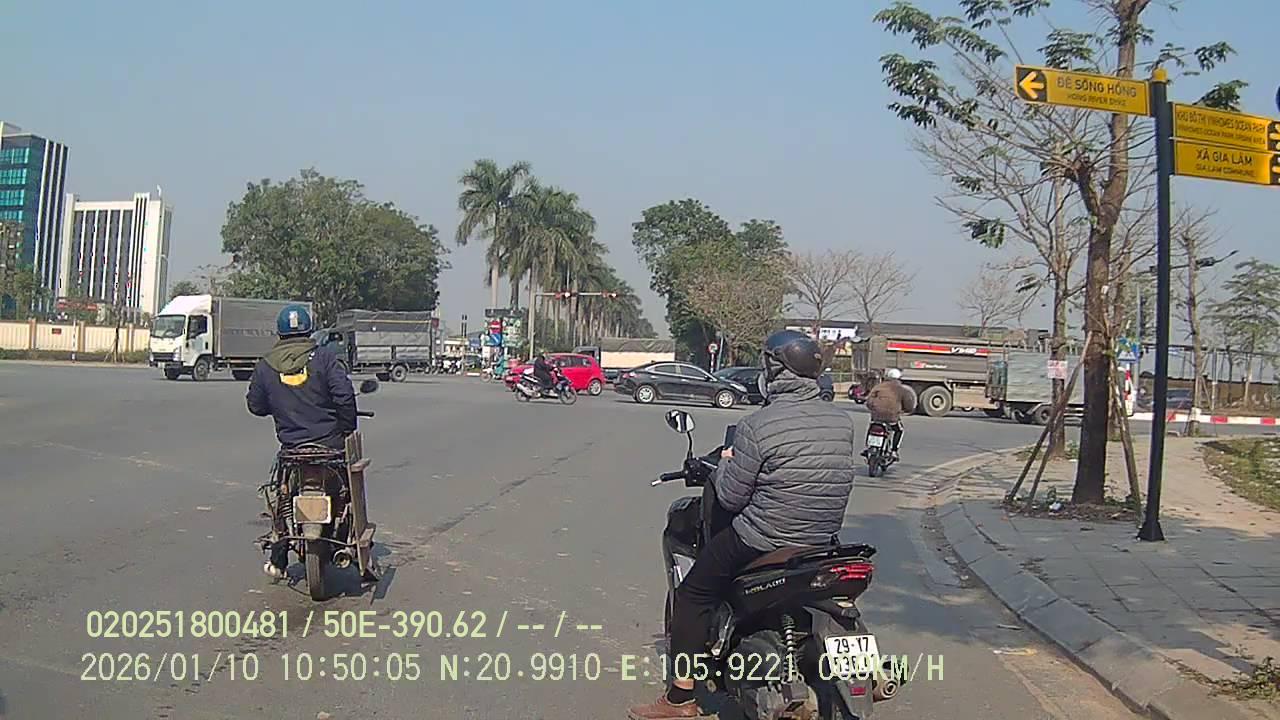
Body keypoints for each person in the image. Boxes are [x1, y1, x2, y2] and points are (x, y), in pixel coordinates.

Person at [628, 329, 858, 720]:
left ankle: (680, 699)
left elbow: (732, 498)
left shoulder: (758, 425)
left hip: (764, 537)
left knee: (693, 594)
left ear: (775, 370)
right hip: (822, 539)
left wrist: (726, 464)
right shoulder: (842, 422)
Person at [246, 304, 357, 576]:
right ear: (309, 331)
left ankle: (279, 556)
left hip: (292, 448)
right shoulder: (325, 358)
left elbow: (255, 405)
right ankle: (346, 539)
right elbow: (344, 396)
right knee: (347, 490)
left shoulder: (265, 365)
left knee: (281, 493)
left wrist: (278, 404)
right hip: (329, 446)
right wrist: (346, 427)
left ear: (280, 333)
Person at [865, 368, 915, 459]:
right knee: (899, 430)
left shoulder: (878, 387)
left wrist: (873, 408)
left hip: (876, 415)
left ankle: (867, 447)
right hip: (892, 417)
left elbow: (869, 400)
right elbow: (909, 404)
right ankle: (894, 451)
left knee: (872, 425)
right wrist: (907, 410)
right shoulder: (902, 389)